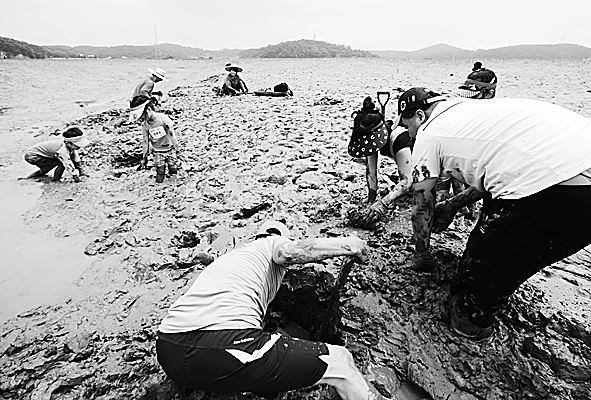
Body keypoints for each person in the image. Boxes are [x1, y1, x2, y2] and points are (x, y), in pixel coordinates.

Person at [395, 87, 591, 340]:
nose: (408, 133)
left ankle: (470, 330)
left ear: (420, 115)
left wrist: (422, 252)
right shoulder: (470, 112)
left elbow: (421, 200)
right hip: (571, 163)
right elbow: (499, 171)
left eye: (407, 124)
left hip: (556, 187)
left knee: (477, 283)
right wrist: (454, 204)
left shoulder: (428, 133)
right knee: (500, 248)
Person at [156, 220, 378, 400]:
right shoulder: (271, 243)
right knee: (341, 361)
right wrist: (349, 244)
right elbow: (289, 253)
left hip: (168, 350)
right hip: (220, 345)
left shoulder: (232, 258)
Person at [347, 96, 413, 224]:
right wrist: (371, 200)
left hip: (425, 161)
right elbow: (372, 172)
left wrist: (383, 203)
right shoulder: (370, 142)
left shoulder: (400, 139)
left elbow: (406, 180)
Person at [129, 96, 181, 183]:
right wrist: (144, 158)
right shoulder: (145, 126)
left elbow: (172, 134)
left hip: (170, 149)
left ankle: (173, 182)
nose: (141, 119)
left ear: (148, 109)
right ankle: (159, 184)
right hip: (157, 151)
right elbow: (145, 141)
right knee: (160, 171)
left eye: (142, 116)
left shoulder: (163, 118)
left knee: (173, 167)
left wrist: (177, 148)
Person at [24, 127, 90, 182]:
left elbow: (76, 159)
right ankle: (56, 180)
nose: (79, 147)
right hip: (32, 156)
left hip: (42, 155)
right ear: (68, 143)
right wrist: (76, 178)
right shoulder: (62, 150)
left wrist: (82, 172)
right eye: (77, 145)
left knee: (44, 170)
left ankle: (28, 179)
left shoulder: (70, 147)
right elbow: (68, 164)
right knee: (60, 164)